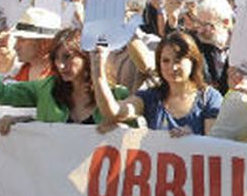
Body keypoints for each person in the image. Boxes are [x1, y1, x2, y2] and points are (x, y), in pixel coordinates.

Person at [0, 28, 128, 129]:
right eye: (55, 58)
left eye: (67, 57)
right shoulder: (46, 89)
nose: (60, 65)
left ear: (87, 56)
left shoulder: (118, 95)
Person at [92, 30, 222, 136]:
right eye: (165, 61)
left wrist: (191, 140)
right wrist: (98, 73)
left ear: (193, 61)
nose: (172, 67)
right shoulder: (150, 96)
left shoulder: (210, 98)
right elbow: (114, 112)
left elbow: (213, 145)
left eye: (178, 60)